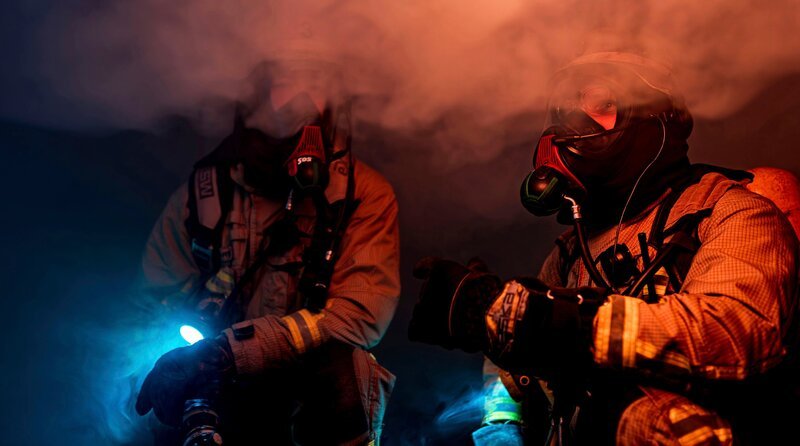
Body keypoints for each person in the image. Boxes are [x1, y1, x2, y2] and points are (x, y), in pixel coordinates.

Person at [408, 51, 800, 445]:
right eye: (569, 106)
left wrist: (561, 324)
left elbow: (735, 330)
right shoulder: (571, 249)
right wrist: (500, 425)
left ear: (657, 119)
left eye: (602, 104)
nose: (575, 122)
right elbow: (513, 347)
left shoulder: (730, 211)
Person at [135, 54, 400, 446]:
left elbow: (359, 315)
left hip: (304, 388)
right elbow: (151, 301)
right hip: (216, 379)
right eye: (283, 80)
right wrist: (187, 356)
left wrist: (235, 350)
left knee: (350, 371)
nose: (298, 99)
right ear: (251, 94)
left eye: (314, 80)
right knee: (156, 383)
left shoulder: (360, 195)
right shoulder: (205, 194)